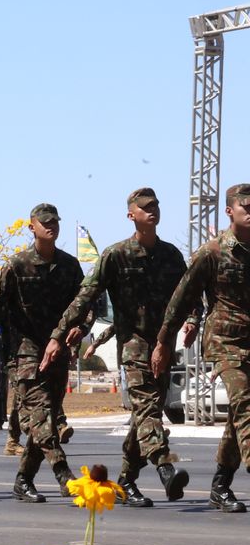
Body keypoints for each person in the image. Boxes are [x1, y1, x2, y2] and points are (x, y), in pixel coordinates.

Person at [49, 188, 189, 507]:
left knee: (143, 417)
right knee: (148, 408)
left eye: (155, 205)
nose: (152, 210)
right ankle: (165, 467)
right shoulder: (116, 255)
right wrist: (60, 333)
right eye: (144, 207)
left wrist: (192, 321)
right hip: (134, 347)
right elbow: (85, 296)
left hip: (163, 346)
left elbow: (187, 295)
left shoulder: (171, 256)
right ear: (131, 215)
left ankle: (126, 481)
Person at [0, 203, 87, 504]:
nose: (51, 226)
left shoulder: (69, 266)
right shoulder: (16, 266)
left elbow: (85, 303)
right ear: (32, 228)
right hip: (24, 353)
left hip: (57, 354)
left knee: (46, 420)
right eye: (44, 222)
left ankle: (23, 480)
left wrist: (81, 328)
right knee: (41, 417)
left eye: (55, 221)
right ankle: (64, 475)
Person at [155, 182, 250, 514]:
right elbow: (181, 301)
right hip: (226, 342)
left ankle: (221, 485)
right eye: (246, 209)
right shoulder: (211, 253)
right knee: (245, 401)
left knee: (238, 417)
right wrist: (164, 342)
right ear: (230, 212)